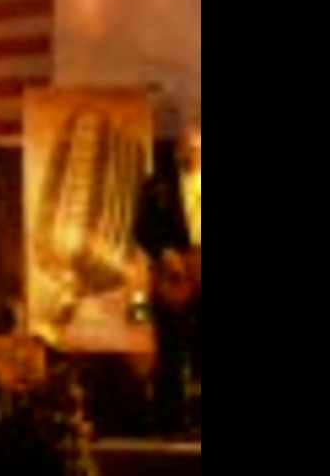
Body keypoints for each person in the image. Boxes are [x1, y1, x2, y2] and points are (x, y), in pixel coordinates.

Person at [133, 120, 202, 437]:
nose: (193, 153)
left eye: (198, 148)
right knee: (172, 349)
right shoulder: (157, 185)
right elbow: (141, 228)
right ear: (177, 151)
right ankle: (170, 424)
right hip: (174, 274)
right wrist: (163, 251)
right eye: (188, 148)